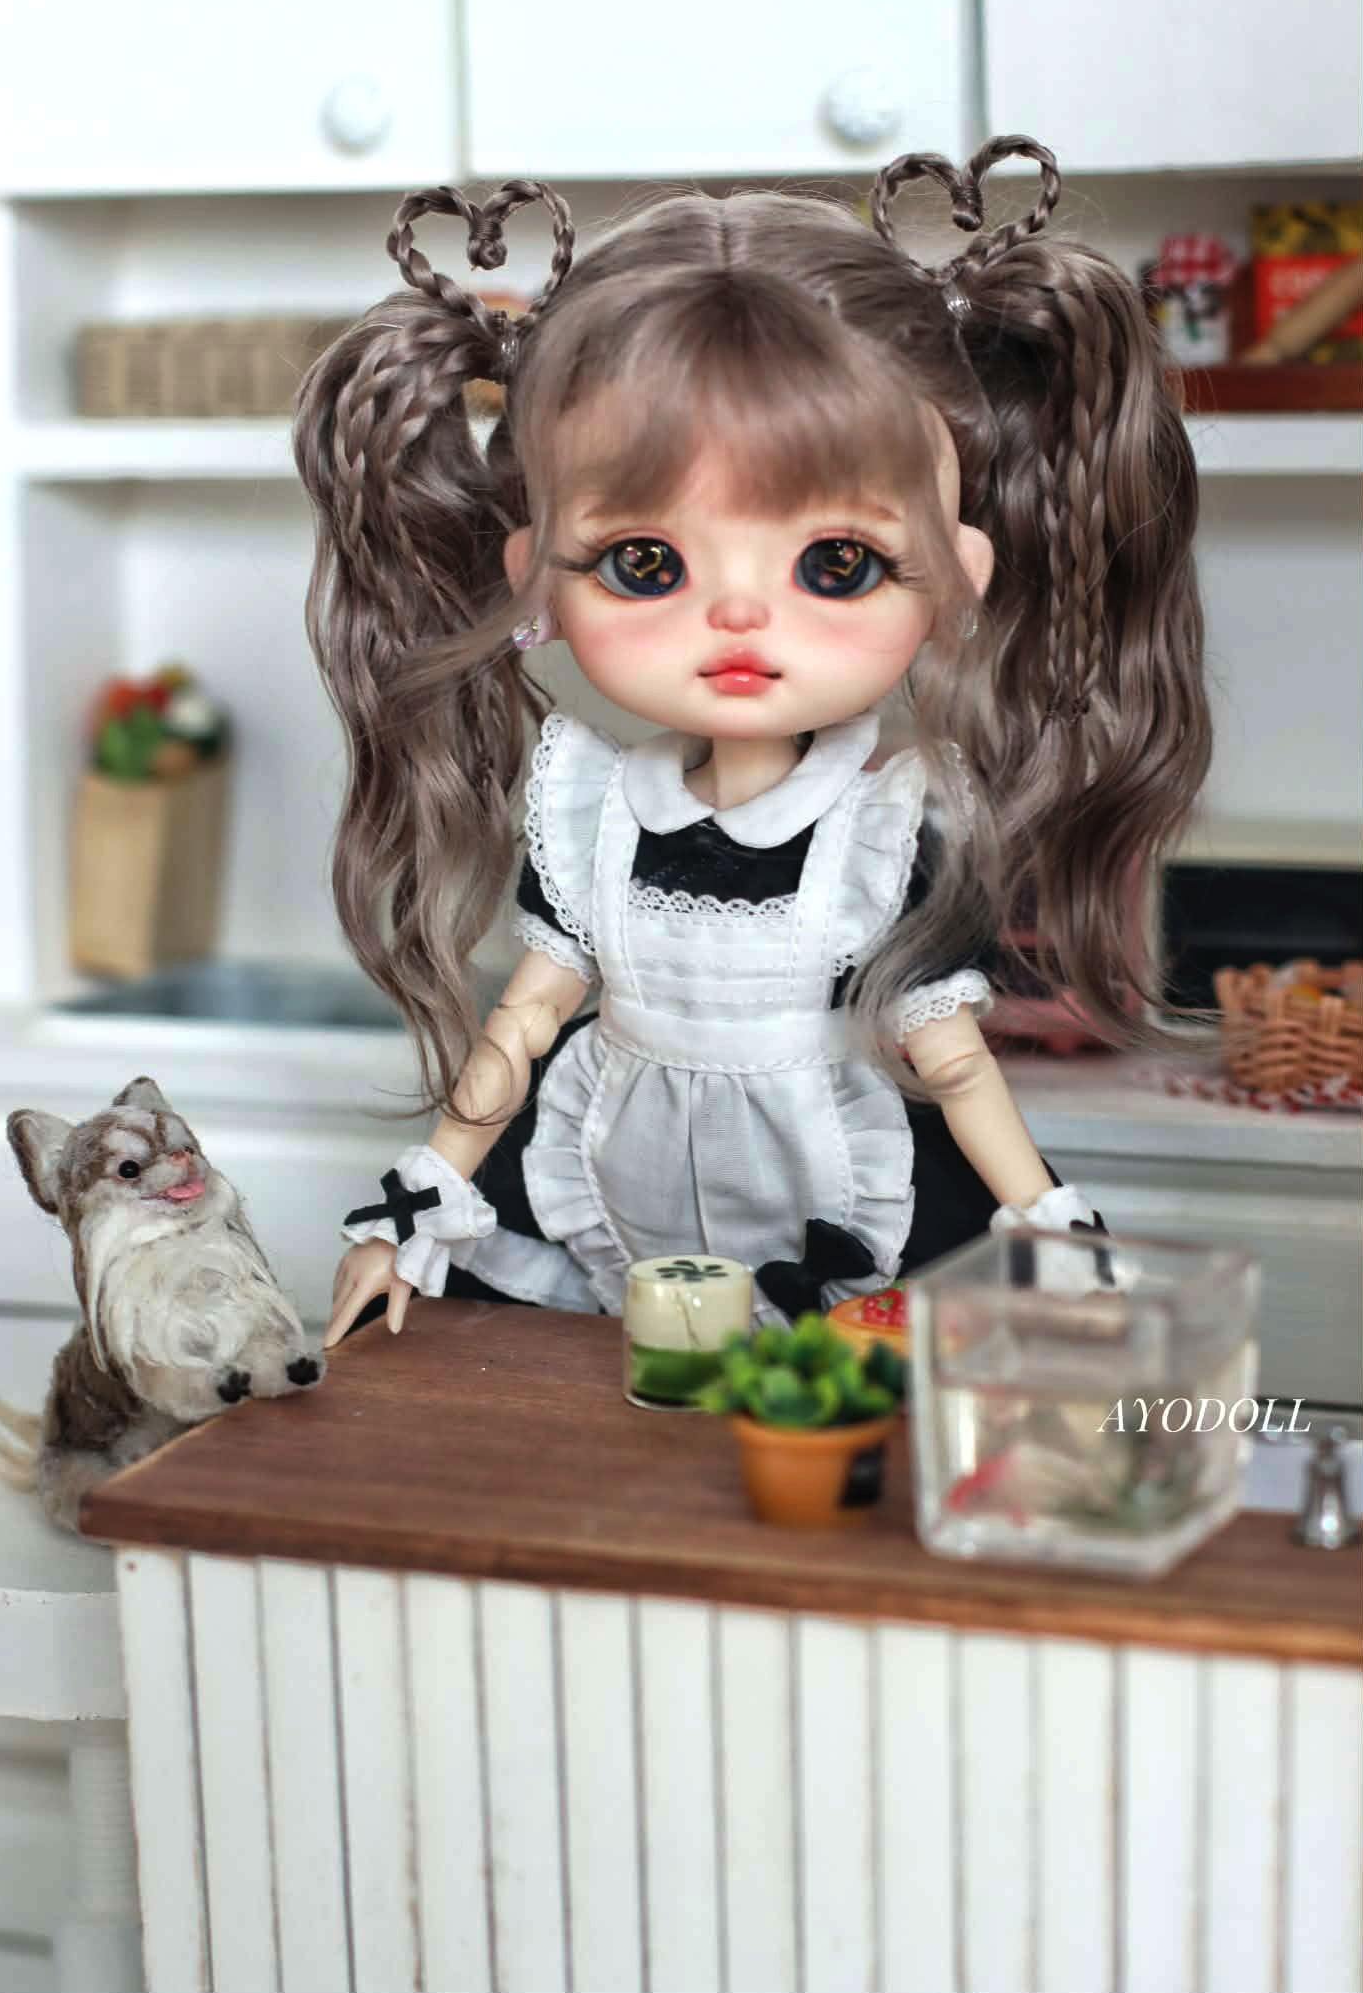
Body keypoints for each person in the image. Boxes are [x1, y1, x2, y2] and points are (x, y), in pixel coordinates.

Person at [293, 136, 1209, 1346]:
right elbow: (518, 1028)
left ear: (957, 574)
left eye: (837, 564)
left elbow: (952, 1064)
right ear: (533, 580)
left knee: (828, 1438)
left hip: (838, 1207)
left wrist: (1052, 1227)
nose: (737, 617)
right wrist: (416, 1205)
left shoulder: (883, 833)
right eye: (644, 563)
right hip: (605, 1199)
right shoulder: (588, 812)